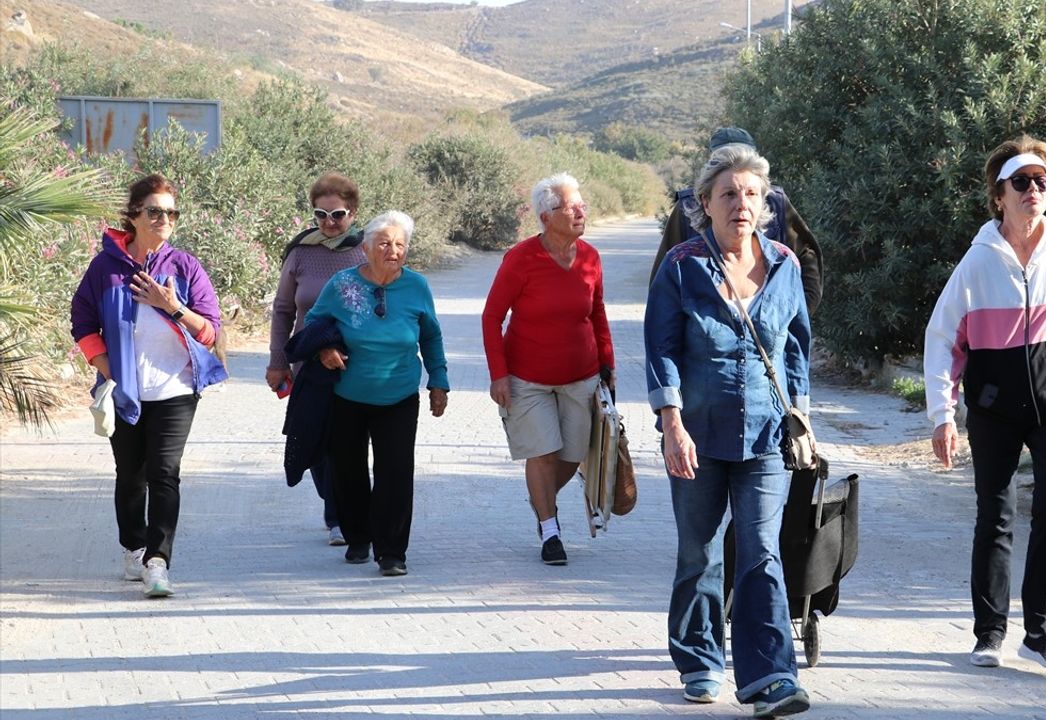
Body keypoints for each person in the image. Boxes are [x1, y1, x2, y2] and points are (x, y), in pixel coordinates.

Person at [923, 135, 1046, 670]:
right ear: (998, 194)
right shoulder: (976, 264)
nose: (1033, 190)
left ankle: (1042, 634)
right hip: (994, 406)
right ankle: (989, 633)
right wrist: (942, 415)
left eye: (1041, 181)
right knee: (995, 515)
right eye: (1020, 182)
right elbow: (943, 339)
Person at [645, 144, 812, 717]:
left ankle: (770, 676)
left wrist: (803, 416)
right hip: (697, 431)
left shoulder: (785, 264)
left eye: (751, 194)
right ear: (705, 205)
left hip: (766, 433)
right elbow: (661, 348)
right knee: (700, 551)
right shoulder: (683, 265)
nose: (741, 204)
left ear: (764, 204)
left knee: (762, 551)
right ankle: (699, 659)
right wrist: (670, 424)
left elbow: (796, 347)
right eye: (728, 194)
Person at [70, 173, 228, 598]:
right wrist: (108, 369)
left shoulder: (185, 267)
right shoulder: (105, 267)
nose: (164, 219)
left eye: (170, 213)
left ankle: (158, 562)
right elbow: (82, 320)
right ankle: (133, 546)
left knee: (164, 473)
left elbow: (210, 331)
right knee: (131, 475)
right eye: (154, 211)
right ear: (134, 216)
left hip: (176, 388)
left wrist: (172, 306)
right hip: (125, 391)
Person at [481, 173, 615, 567]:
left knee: (572, 455)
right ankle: (550, 529)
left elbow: (598, 312)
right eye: (571, 207)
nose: (580, 212)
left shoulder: (590, 256)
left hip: (582, 375)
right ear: (545, 215)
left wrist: (608, 363)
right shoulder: (520, 259)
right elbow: (492, 317)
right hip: (527, 378)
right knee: (542, 453)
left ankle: (540, 498)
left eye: (582, 205)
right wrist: (498, 374)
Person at [305, 210, 449, 577]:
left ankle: (392, 551)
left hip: (399, 393)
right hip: (347, 393)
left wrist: (439, 381)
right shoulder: (342, 284)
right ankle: (358, 537)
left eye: (400, 244)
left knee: (396, 472)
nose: (393, 250)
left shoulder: (417, 286)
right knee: (348, 469)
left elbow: (430, 335)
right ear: (366, 248)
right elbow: (314, 321)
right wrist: (324, 349)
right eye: (384, 243)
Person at [266, 172, 365, 547]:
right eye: (320, 215)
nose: (328, 223)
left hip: (356, 361)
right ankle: (335, 506)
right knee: (317, 438)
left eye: (337, 214)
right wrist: (277, 362)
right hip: (308, 362)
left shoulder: (365, 250)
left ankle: (340, 513)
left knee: (349, 437)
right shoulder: (300, 252)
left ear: (353, 213)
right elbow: (283, 309)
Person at [651, 126, 824, 315]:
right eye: (724, 157)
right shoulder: (688, 206)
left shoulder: (776, 201)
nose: (742, 204)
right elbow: (663, 278)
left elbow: (806, 255)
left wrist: (796, 313)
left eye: (751, 194)